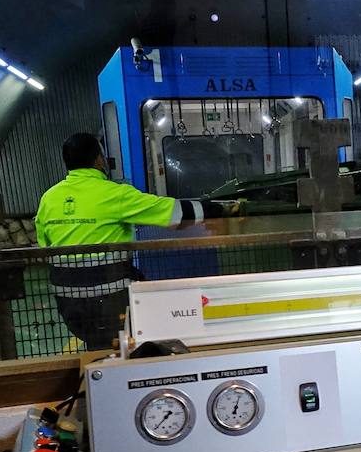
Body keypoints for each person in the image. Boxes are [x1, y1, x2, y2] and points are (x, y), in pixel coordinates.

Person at [35, 132, 242, 351]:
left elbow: (44, 244)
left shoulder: (49, 198)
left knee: (101, 345)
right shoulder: (114, 194)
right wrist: (219, 209)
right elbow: (173, 212)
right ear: (98, 159)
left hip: (69, 304)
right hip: (111, 300)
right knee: (146, 322)